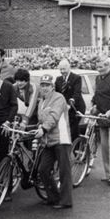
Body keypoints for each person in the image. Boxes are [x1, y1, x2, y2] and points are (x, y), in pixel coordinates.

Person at [35, 74, 73, 208]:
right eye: (42, 85)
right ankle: (53, 197)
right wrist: (39, 126)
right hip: (48, 141)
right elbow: (41, 119)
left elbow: (54, 116)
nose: (44, 88)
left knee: (64, 172)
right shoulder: (42, 100)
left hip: (61, 139)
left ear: (52, 87)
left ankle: (66, 201)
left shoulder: (59, 98)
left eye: (47, 85)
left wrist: (44, 128)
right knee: (43, 170)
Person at [91, 57, 110, 185]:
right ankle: (109, 174)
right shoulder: (98, 78)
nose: (99, 70)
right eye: (97, 67)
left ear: (108, 66)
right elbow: (97, 94)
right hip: (102, 117)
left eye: (102, 67)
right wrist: (93, 104)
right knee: (104, 147)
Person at [55, 60, 85, 141]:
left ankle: (76, 149)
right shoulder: (58, 79)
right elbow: (57, 94)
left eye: (64, 69)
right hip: (64, 108)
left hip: (76, 107)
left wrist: (71, 102)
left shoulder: (76, 78)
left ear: (69, 68)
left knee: (73, 130)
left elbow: (77, 93)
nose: (62, 71)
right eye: (60, 69)